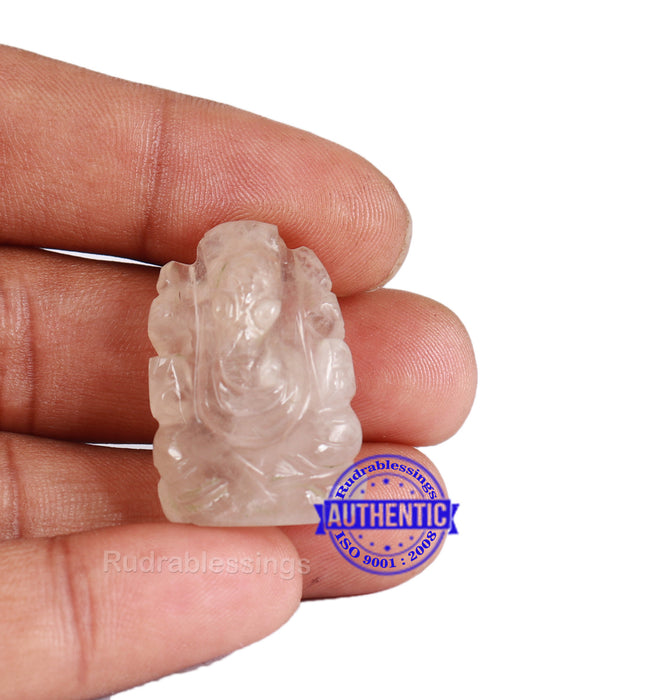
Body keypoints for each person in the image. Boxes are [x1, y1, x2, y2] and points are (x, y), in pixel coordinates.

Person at [0, 45, 476, 699]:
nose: (247, 298)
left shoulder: (298, 339)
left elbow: (330, 393)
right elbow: (177, 404)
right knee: (182, 453)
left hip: (288, 451)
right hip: (220, 454)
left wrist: (313, 361)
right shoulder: (202, 338)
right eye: (236, 285)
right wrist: (182, 380)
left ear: (277, 296)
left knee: (336, 440)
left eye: (259, 287)